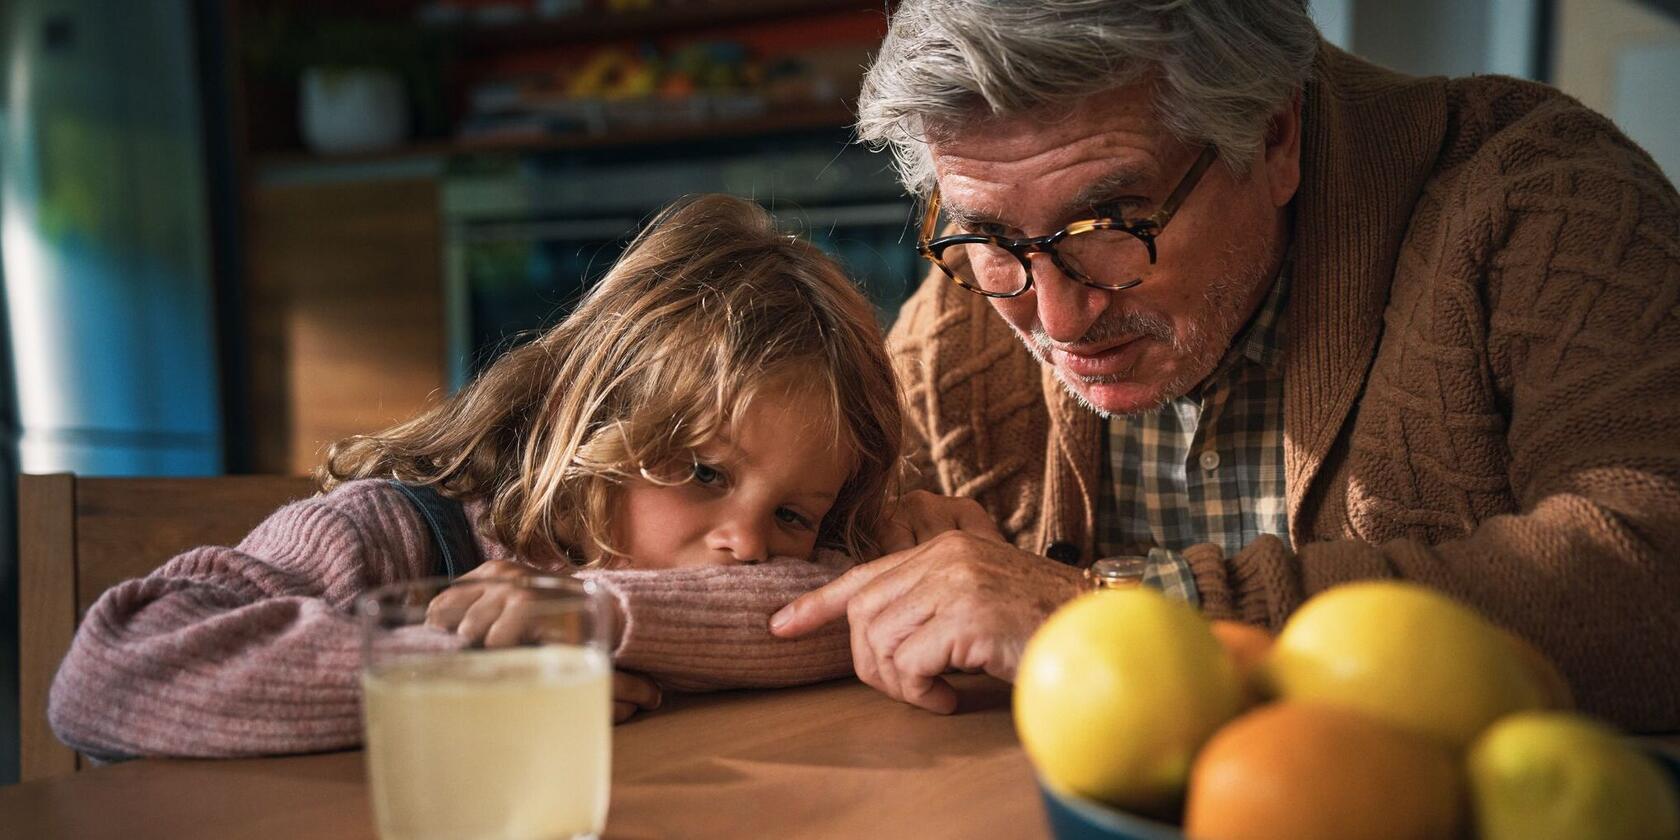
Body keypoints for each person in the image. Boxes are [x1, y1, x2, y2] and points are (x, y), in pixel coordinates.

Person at [771, 0, 1680, 731]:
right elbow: (785, 541)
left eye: (1111, 225)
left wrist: (1112, 610)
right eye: (987, 237)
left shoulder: (1543, 196)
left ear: (1275, 136)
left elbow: (1655, 577)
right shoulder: (973, 304)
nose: (1054, 320)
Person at [49, 194, 901, 759]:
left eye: (793, 515)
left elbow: (843, 614)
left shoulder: (739, 576)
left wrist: (593, 618)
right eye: (705, 472)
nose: (747, 546)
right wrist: (468, 677)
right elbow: (113, 670)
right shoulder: (388, 530)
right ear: (594, 417)